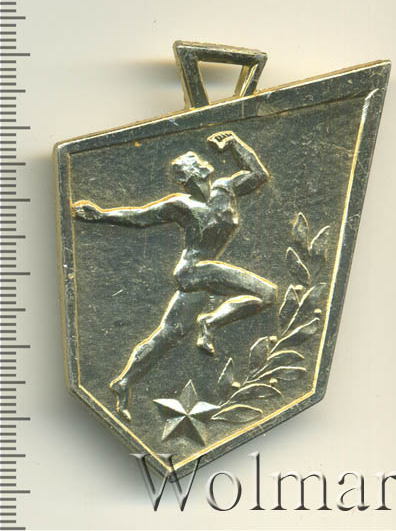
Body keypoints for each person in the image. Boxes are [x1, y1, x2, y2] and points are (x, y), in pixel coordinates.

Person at [73, 131, 278, 421]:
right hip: (193, 270)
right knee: (267, 293)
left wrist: (234, 143)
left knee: (168, 335)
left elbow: (259, 174)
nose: (201, 166)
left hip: (203, 275)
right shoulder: (180, 205)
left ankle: (124, 382)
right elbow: (139, 216)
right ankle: (210, 322)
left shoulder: (226, 188)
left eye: (196, 164)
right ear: (190, 176)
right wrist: (101, 215)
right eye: (193, 166)